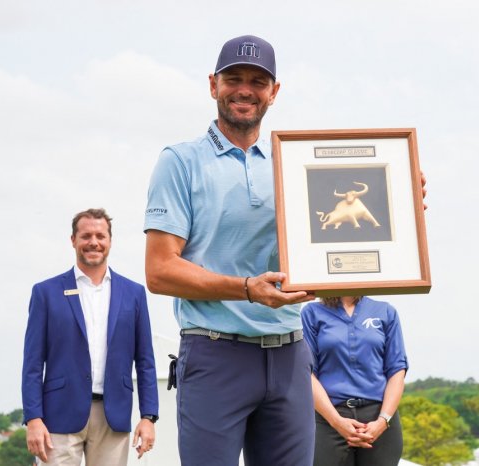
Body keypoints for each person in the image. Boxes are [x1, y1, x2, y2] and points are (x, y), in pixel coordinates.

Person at [144, 35, 316, 466]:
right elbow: (160, 271)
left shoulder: (293, 164)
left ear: (274, 92)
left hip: (290, 354)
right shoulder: (180, 161)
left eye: (258, 81)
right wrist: (246, 288)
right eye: (233, 78)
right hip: (215, 354)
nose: (245, 89)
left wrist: (398, 199)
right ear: (212, 85)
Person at [22, 208, 159, 465]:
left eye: (100, 235)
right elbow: (32, 363)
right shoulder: (45, 293)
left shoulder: (134, 294)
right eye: (85, 236)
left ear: (110, 241)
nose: (93, 242)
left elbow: (145, 361)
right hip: (59, 415)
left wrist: (148, 416)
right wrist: (33, 418)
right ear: (73, 240)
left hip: (114, 417)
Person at [301, 296, 408, 466]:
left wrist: (382, 421)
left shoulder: (385, 311)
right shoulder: (311, 312)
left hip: (379, 418)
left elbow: (396, 370)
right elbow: (307, 372)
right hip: (328, 418)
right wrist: (336, 421)